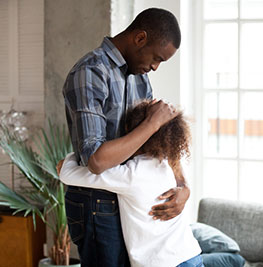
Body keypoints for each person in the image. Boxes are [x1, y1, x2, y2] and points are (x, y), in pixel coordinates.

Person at [62, 8, 190, 267]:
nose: (155, 67)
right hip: (96, 202)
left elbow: (159, 140)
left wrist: (183, 187)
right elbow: (96, 160)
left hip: (126, 197)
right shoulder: (90, 72)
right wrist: (153, 123)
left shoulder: (140, 78)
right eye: (156, 58)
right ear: (140, 38)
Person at [58, 101, 203, 267]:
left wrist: (70, 157)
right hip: (191, 255)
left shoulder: (131, 174)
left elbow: (68, 173)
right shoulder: (168, 165)